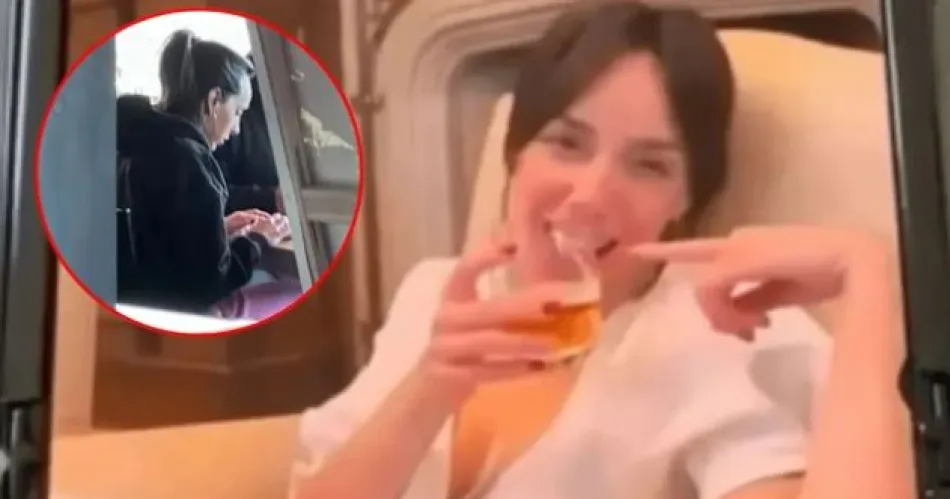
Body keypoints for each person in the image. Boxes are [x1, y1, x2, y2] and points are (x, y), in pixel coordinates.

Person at [292, 3, 913, 499]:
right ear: (516, 154)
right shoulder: (436, 290)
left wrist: (866, 270)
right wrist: (430, 387)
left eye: (648, 165)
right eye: (567, 143)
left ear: (685, 199)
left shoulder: (711, 331)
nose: (591, 194)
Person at [116, 29, 291, 317]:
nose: (236, 129)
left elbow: (168, 240)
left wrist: (219, 229)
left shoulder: (151, 144)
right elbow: (212, 280)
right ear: (214, 100)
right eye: (238, 112)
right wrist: (259, 239)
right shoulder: (189, 162)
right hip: (176, 311)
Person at [212, 54, 283, 215]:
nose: (235, 129)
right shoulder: (231, 101)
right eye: (238, 112)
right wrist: (271, 199)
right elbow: (209, 194)